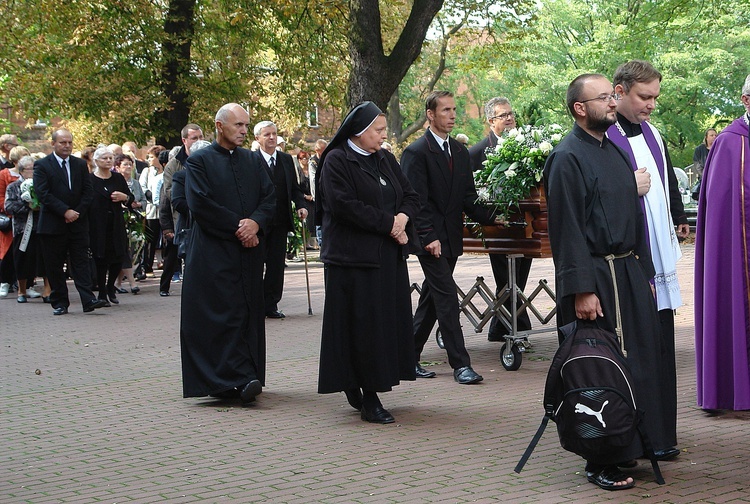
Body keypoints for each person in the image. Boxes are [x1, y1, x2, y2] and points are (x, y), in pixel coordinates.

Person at [544, 73, 669, 491]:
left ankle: (632, 443)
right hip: (595, 278)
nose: (612, 103)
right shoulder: (567, 156)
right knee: (602, 372)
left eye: (612, 97)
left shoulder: (612, 150)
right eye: (603, 98)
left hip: (628, 273)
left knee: (638, 364)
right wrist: (581, 289)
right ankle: (601, 460)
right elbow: (568, 231)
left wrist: (646, 272)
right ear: (581, 108)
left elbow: (636, 218)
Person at [316, 101, 419, 424]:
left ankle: (374, 383)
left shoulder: (385, 159)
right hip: (353, 262)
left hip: (386, 260)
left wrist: (401, 218)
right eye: (378, 130)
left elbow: (409, 195)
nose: (383, 136)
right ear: (358, 132)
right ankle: (367, 396)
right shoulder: (336, 161)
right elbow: (344, 206)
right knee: (361, 330)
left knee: (383, 327)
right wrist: (389, 224)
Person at [607, 60, 688, 461]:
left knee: (661, 346)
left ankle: (661, 433)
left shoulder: (654, 133)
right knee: (636, 350)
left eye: (655, 96)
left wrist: (677, 218)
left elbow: (667, 180)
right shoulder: (604, 137)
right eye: (644, 97)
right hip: (629, 257)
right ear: (619, 92)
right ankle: (635, 435)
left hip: (659, 255)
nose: (651, 105)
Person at [180, 103, 275, 404]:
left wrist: (256, 223)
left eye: (247, 126)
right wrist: (240, 229)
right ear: (220, 126)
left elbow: (270, 197)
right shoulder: (199, 162)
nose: (245, 131)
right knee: (220, 314)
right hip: (214, 251)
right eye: (239, 126)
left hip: (248, 253)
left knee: (246, 311)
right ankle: (222, 380)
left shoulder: (252, 160)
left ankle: (247, 374)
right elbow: (200, 204)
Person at [401, 90, 498, 385]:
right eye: (446, 110)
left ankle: (407, 357)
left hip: (452, 238)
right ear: (430, 115)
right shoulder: (416, 152)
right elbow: (413, 201)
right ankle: (460, 364)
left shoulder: (458, 151)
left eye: (454, 110)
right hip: (430, 240)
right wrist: (428, 236)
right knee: (446, 299)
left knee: (431, 299)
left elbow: (468, 196)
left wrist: (495, 217)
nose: (452, 115)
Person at [694, 74, 750, 413]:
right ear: (746, 101)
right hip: (740, 251)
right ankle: (732, 388)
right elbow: (720, 213)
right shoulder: (730, 142)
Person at [468, 96, 533, 342]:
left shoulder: (527, 147)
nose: (509, 119)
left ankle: (501, 327)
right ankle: (516, 328)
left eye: (511, 114)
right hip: (495, 224)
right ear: (490, 121)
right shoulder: (476, 152)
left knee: (520, 276)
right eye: (503, 115)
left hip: (525, 222)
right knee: (506, 277)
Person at [33, 129, 108, 315]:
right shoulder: (42, 165)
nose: (67, 146)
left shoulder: (80, 164)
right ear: (53, 144)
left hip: (77, 223)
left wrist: (77, 212)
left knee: (81, 262)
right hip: (53, 224)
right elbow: (43, 194)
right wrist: (64, 211)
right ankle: (60, 302)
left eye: (69, 142)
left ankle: (88, 299)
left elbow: (88, 191)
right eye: (62, 142)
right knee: (55, 265)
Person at [253, 120, 308, 319]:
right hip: (258, 223)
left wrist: (301, 204)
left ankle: (271, 303)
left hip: (280, 221)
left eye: (274, 134)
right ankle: (255, 303)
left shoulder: (286, 160)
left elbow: (295, 187)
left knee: (276, 265)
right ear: (257, 138)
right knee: (256, 264)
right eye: (267, 134)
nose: (272, 138)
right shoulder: (251, 159)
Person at [159, 139, 210, 296]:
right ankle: (168, 288)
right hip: (189, 226)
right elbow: (174, 201)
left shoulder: (219, 175)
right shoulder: (180, 176)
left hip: (215, 228)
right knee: (180, 259)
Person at [88, 148, 135, 306]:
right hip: (97, 224)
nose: (108, 161)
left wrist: (124, 197)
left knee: (119, 256)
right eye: (104, 158)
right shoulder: (90, 180)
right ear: (96, 161)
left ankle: (110, 287)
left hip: (116, 223)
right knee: (100, 259)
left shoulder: (117, 178)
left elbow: (130, 198)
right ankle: (101, 291)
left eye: (110, 158)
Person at [4, 155, 50, 302]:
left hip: (42, 227)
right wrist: (28, 206)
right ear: (22, 171)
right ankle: (22, 291)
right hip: (23, 229)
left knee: (45, 259)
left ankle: (47, 291)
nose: (33, 172)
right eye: (30, 169)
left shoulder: (42, 184)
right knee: (22, 260)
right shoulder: (13, 187)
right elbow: (9, 206)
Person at [0, 138, 22, 297]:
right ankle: (5, 281)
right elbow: (1, 196)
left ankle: (24, 283)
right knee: (7, 252)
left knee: (24, 251)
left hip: (25, 219)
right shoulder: (4, 174)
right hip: (8, 218)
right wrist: (9, 210)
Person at [296, 150, 317, 249]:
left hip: (312, 198)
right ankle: (304, 243)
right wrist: (305, 196)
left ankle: (311, 241)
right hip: (303, 199)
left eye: (308, 158)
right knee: (305, 221)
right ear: (299, 159)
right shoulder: (297, 171)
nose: (306, 160)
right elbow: (296, 187)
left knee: (312, 220)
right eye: (304, 158)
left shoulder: (311, 169)